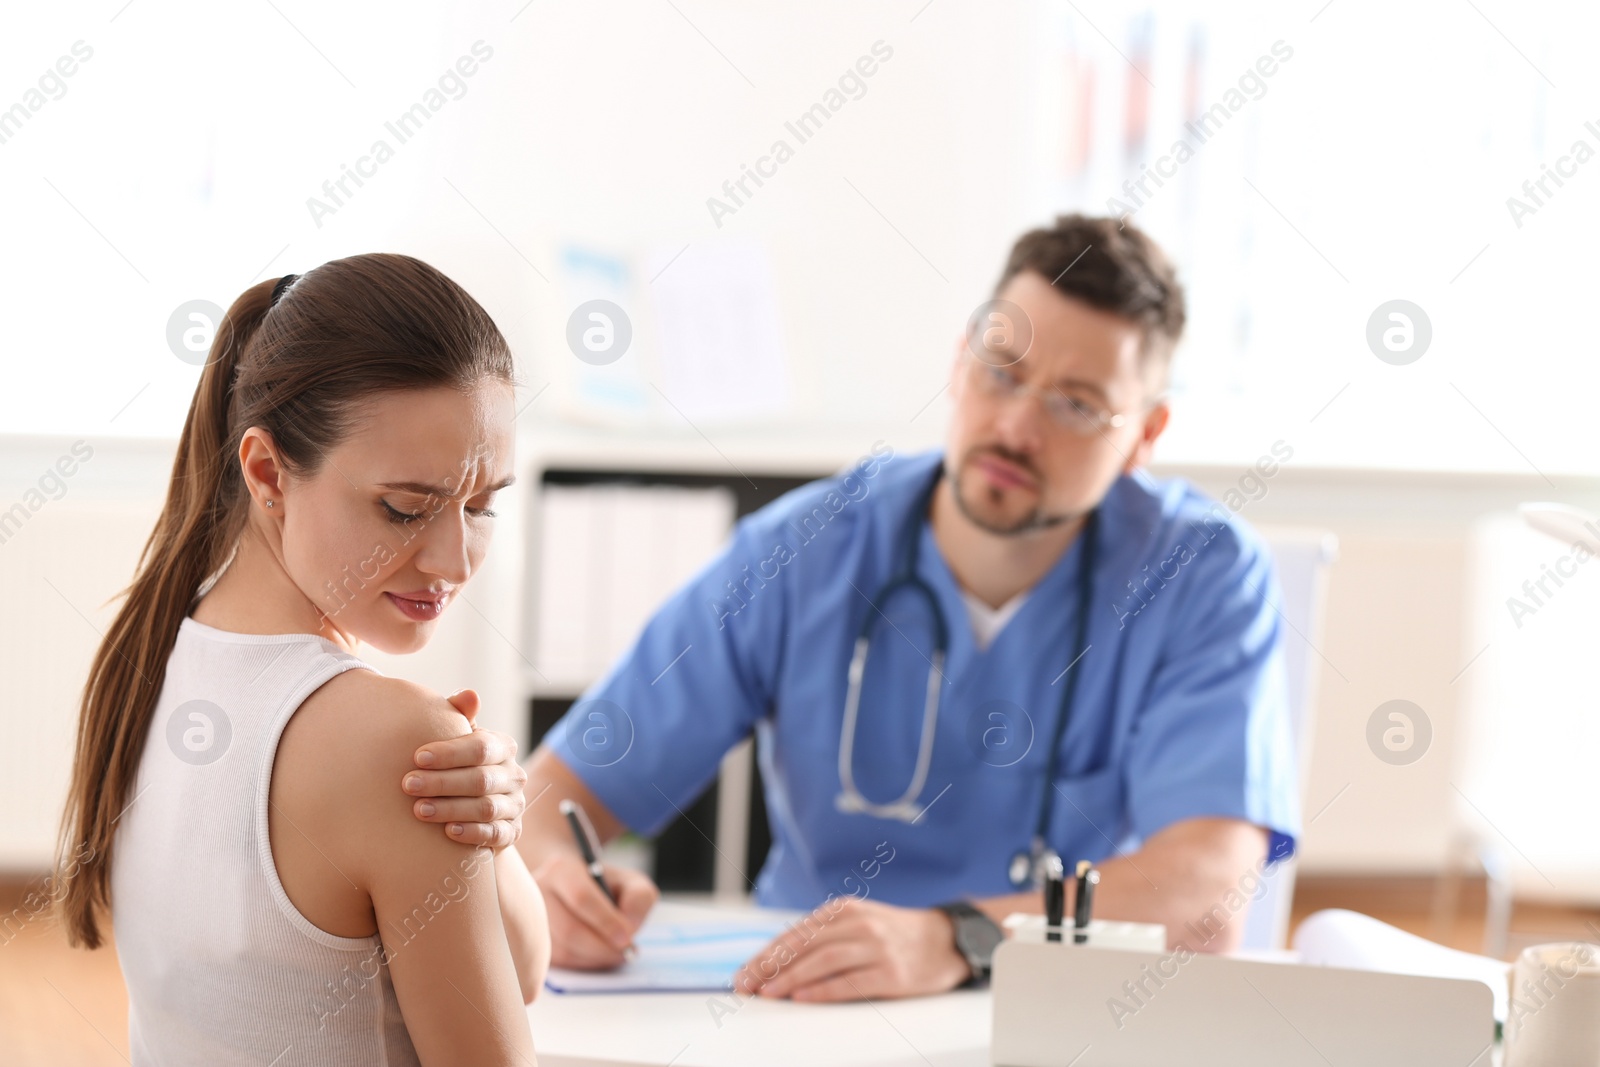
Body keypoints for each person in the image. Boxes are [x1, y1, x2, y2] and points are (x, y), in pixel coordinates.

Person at [405, 214, 1300, 1001]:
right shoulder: (809, 547)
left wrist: (958, 934)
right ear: (960, 360)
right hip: (802, 999)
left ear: (1144, 436)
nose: (1018, 427)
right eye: (1002, 370)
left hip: (1051, 1005)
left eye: (1076, 404)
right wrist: (554, 879)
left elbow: (1207, 897)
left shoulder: (1202, 576)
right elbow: (558, 795)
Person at [55, 254, 547, 1064]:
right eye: (406, 508)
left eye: (483, 503)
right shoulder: (394, 742)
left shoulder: (156, 656)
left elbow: (521, 968)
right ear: (266, 471)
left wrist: (492, 831)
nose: (456, 560)